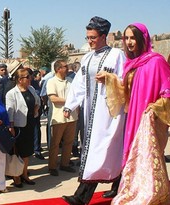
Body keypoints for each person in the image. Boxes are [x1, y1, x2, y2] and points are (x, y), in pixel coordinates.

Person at [109, 23, 170, 205]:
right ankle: (134, 191)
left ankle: (154, 195)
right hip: (133, 117)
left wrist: (155, 107)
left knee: (147, 158)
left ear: (143, 39)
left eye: (133, 38)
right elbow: (126, 92)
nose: (129, 42)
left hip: (150, 120)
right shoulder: (130, 64)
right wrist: (109, 79)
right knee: (134, 157)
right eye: (126, 38)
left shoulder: (156, 61)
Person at [61, 16, 126, 205]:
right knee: (97, 150)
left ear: (104, 36)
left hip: (110, 113)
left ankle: (82, 197)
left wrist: (110, 78)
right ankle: (117, 186)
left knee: (103, 151)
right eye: (88, 37)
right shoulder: (87, 57)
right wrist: (70, 105)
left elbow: (126, 82)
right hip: (91, 113)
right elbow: (79, 84)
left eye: (93, 38)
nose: (89, 41)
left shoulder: (117, 55)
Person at [6, 68, 40, 188]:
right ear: (20, 80)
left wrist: (36, 108)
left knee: (27, 153)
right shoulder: (11, 94)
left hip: (30, 123)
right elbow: (10, 112)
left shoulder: (31, 89)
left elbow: (37, 101)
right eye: (27, 77)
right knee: (17, 153)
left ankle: (25, 174)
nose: (30, 78)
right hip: (18, 126)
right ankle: (16, 176)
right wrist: (11, 126)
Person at [47, 59, 78, 176]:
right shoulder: (52, 82)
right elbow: (53, 99)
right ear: (58, 69)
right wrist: (69, 101)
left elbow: (76, 96)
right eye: (65, 66)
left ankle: (64, 163)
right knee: (55, 143)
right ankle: (52, 166)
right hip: (59, 117)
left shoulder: (70, 81)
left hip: (72, 117)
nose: (67, 68)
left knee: (69, 142)